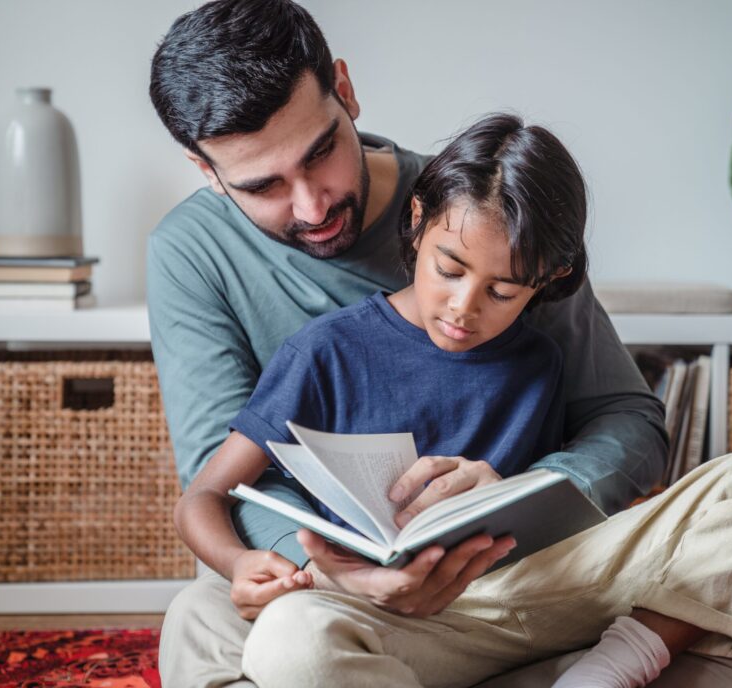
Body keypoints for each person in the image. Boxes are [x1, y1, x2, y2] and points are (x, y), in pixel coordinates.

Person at [146, 0, 675, 684]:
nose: (312, 206)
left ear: (345, 89)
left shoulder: (482, 209)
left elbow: (627, 420)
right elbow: (220, 486)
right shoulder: (191, 253)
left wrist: (522, 492)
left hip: (512, 578)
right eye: (264, 185)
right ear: (204, 168)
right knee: (198, 622)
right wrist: (334, 575)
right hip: (323, 592)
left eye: (320, 153)